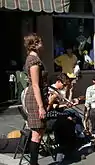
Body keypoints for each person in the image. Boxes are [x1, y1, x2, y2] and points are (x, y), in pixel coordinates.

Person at [24, 33, 48, 165]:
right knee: (36, 133)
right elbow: (35, 85)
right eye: (40, 42)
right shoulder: (33, 61)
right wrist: (41, 106)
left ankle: (34, 162)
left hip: (39, 97)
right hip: (35, 99)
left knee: (40, 131)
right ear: (36, 44)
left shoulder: (35, 58)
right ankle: (34, 163)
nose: (42, 44)